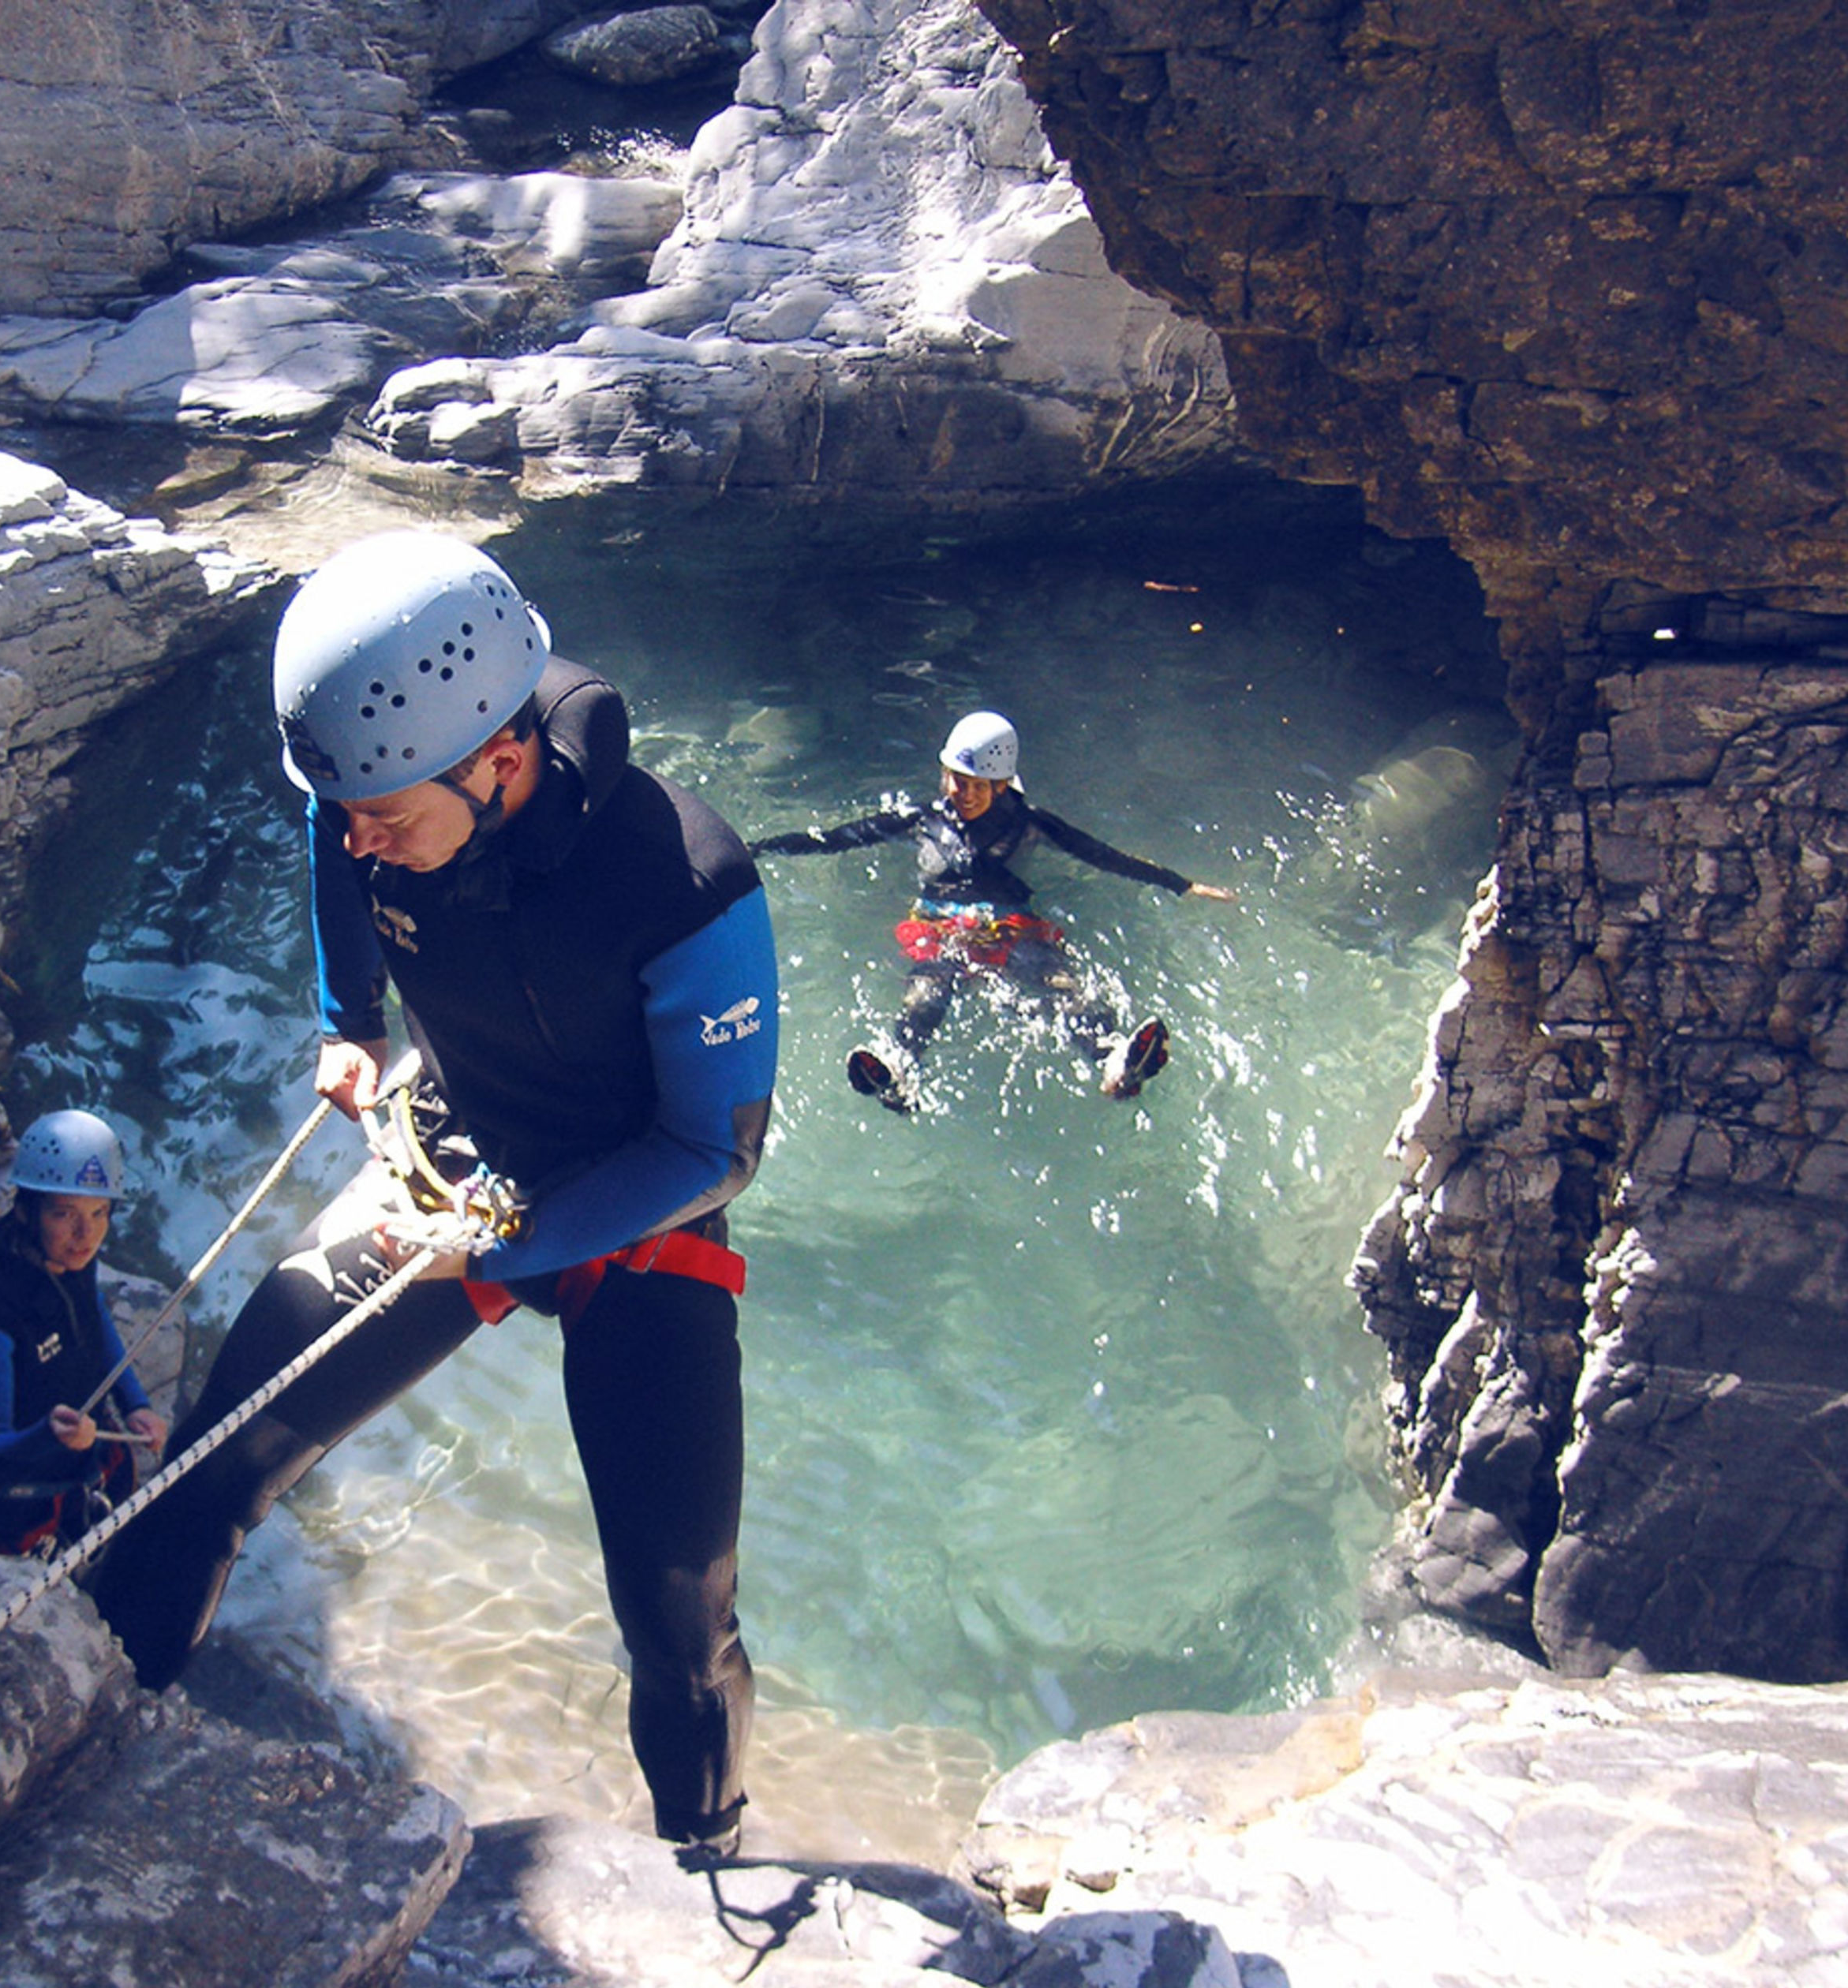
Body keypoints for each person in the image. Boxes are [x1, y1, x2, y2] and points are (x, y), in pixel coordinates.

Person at [86, 529, 778, 1855]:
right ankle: (91, 1754)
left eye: (387, 819)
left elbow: (713, 1154)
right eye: (351, 810)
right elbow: (330, 830)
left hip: (637, 1229)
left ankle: (710, 1851)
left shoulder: (685, 882)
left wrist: (500, 1252)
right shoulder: (382, 788)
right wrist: (352, 1019)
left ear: (499, 761)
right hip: (453, 1158)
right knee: (205, 1475)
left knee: (680, 1624)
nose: (362, 839)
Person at [752, 708, 1236, 1112]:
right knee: (927, 991)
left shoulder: (1030, 824)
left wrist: (1183, 886)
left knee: (1056, 983)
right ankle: (898, 1068)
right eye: (953, 779)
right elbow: (836, 838)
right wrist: (759, 848)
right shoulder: (922, 820)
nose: (958, 792)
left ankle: (1114, 1058)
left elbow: (1102, 855)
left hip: (1009, 925)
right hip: (940, 925)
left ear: (1002, 784)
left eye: (973, 785)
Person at [0, 1106, 169, 1556]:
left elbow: (91, 1317)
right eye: (65, 1214)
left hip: (81, 1467)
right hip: (21, 1509)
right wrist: (50, 1435)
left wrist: (134, 1403)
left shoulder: (65, 1256)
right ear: (25, 1211)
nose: (86, 1234)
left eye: (100, 1213)